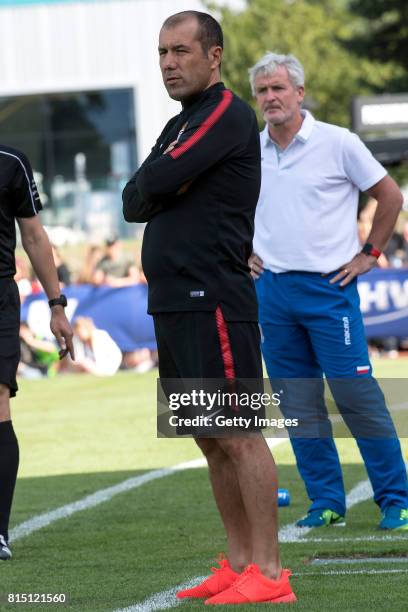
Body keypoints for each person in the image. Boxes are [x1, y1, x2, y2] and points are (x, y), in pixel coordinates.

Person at [123, 11, 296, 606]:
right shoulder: (181, 122)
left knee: (242, 433)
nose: (169, 63)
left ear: (213, 57)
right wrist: (165, 179)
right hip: (172, 300)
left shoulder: (226, 113)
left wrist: (165, 178)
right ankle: (241, 562)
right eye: (162, 52)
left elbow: (158, 178)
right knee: (209, 436)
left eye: (180, 51)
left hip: (214, 298)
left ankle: (270, 576)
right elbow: (134, 197)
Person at [248, 52, 408, 530]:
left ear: (299, 92)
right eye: (262, 91)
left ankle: (397, 499)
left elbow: (391, 196)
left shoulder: (339, 142)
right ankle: (326, 502)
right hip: (272, 291)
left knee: (356, 395)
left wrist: (370, 254)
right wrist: (242, 251)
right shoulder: (248, 150)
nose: (271, 97)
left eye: (279, 88)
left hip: (329, 290)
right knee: (298, 403)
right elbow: (227, 209)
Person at [0, 145, 74, 560]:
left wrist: (56, 304)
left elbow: (33, 234)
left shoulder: (10, 160)